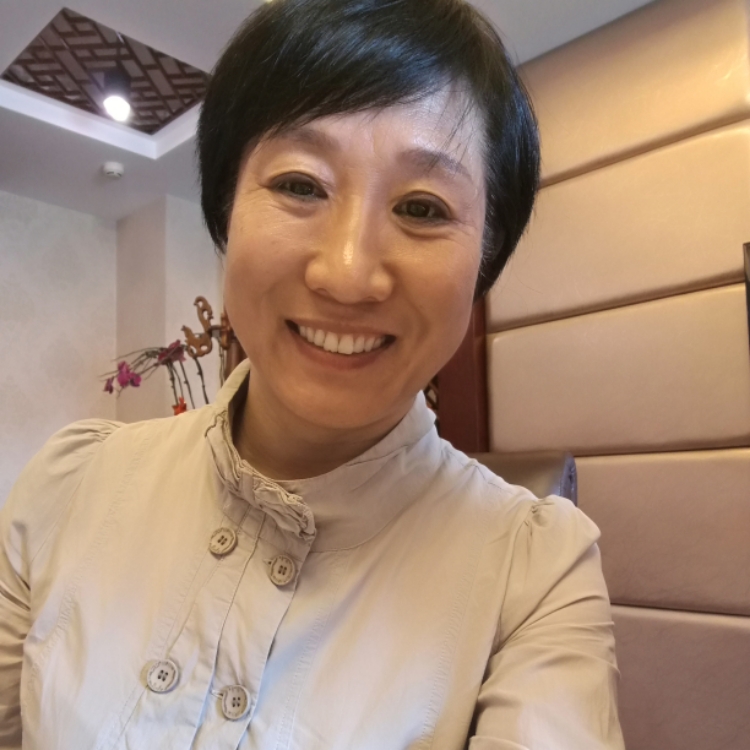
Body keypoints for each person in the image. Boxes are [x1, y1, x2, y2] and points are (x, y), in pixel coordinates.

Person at [0, 0, 626, 747]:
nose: (348, 274)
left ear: (485, 261)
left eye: (423, 207)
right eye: (300, 185)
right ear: (226, 208)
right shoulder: (70, 485)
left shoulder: (537, 576)